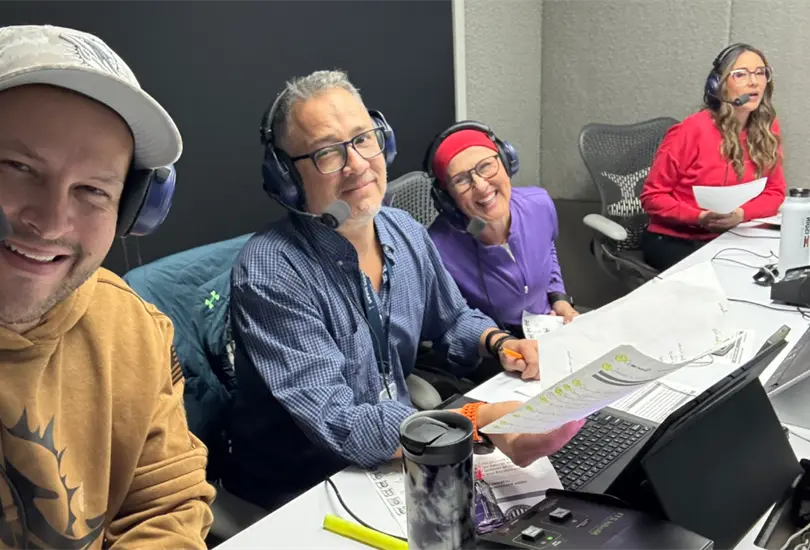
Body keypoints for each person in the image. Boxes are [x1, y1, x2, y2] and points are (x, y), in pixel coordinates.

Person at [225, 70, 583, 510]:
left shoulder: (404, 231)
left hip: (403, 456)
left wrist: (499, 342)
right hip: (305, 488)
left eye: (363, 139)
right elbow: (339, 421)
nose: (357, 163)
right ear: (287, 177)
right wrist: (477, 422)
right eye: (326, 153)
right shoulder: (270, 274)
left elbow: (453, 319)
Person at [0, 25, 215, 547]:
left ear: (134, 208)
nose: (52, 222)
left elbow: (167, 504)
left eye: (93, 190)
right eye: (17, 167)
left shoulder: (132, 329)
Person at [640, 43, 786, 271]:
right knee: (726, 276)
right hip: (676, 239)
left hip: (733, 235)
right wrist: (699, 217)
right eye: (740, 75)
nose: (754, 82)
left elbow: (775, 191)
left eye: (760, 72)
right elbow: (652, 197)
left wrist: (741, 214)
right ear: (718, 86)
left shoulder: (767, 129)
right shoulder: (690, 130)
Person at [426, 122, 578, 334]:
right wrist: (498, 344)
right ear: (448, 199)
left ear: (507, 164)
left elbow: (548, 251)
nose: (480, 186)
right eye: (461, 179)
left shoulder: (540, 205)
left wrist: (559, 300)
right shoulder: (438, 248)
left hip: (547, 326)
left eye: (485, 166)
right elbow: (450, 324)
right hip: (491, 351)